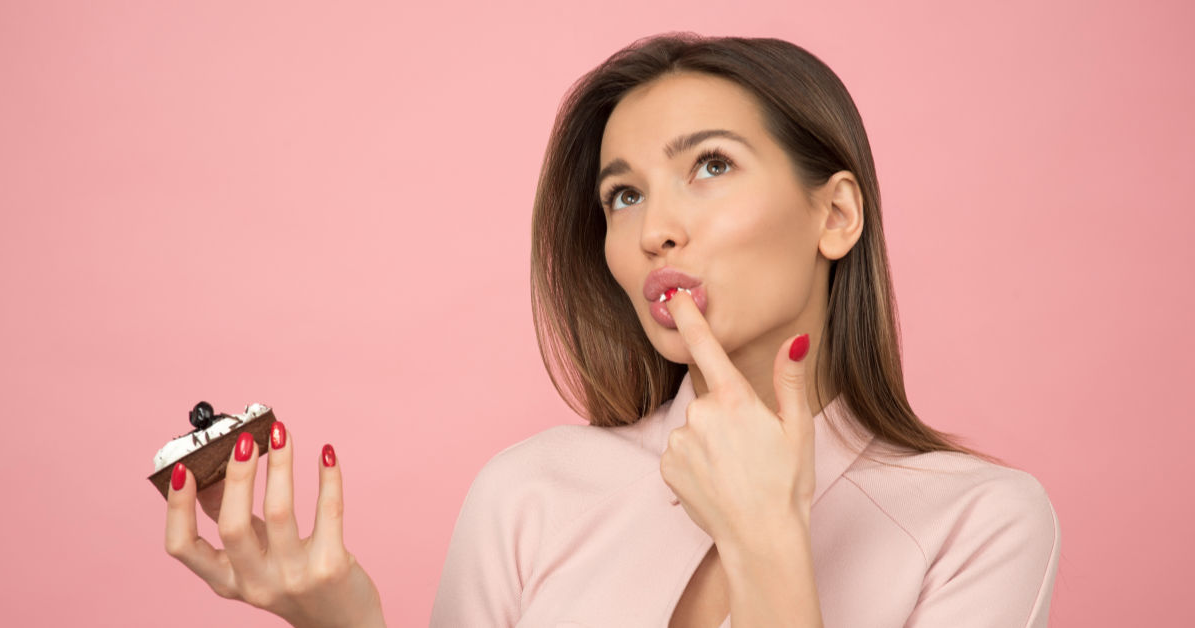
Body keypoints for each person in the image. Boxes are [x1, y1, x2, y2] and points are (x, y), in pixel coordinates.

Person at [163, 31, 1060, 628]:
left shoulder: (979, 523)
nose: (652, 230)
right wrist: (346, 618)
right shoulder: (533, 492)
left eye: (710, 165)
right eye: (622, 194)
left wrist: (767, 543)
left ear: (835, 215)